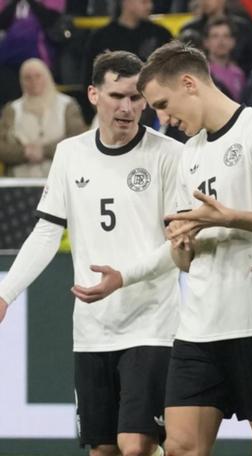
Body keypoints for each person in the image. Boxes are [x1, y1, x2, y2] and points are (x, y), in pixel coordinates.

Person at [0, 50, 181, 456]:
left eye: (137, 98)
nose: (128, 107)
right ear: (93, 94)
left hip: (151, 323)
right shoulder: (70, 153)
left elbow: (179, 246)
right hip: (93, 328)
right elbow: (47, 232)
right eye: (117, 95)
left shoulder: (168, 155)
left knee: (136, 445)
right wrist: (6, 294)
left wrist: (125, 278)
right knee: (103, 449)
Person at [137, 40, 252, 456]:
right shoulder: (188, 154)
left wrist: (230, 218)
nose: (162, 118)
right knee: (179, 445)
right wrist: (182, 244)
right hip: (199, 326)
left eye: (162, 103)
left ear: (190, 83)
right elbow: (185, 258)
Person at [0, 57, 87, 177]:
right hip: (20, 182)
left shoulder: (67, 105)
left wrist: (44, 151)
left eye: (38, 76)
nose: (33, 81)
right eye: (27, 78)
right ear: (21, 81)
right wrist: (24, 153)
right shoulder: (12, 109)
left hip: (60, 179)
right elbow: (2, 147)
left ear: (47, 76)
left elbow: (78, 139)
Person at [82, 0, 172, 87]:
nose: (150, 6)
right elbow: (90, 77)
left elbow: (173, 71)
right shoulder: (101, 38)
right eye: (144, 1)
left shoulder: (160, 34)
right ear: (126, 2)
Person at [203, 17, 244, 101]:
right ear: (206, 42)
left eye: (226, 36)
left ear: (232, 42)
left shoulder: (239, 74)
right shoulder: (201, 72)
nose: (221, 41)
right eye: (215, 36)